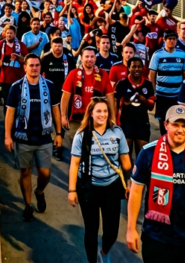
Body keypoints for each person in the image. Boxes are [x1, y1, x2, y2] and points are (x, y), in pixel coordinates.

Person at [127, 105, 185, 263]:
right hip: (156, 236)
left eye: (184, 126)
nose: (180, 130)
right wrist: (130, 229)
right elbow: (136, 192)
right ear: (166, 125)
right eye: (175, 125)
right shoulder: (148, 153)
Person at [68, 98, 132, 263]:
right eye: (98, 111)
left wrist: (130, 182)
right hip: (88, 188)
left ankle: (104, 251)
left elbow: (126, 164)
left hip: (111, 187)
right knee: (91, 229)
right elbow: (74, 164)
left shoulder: (117, 133)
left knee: (112, 232)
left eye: (105, 111)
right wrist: (72, 190)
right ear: (91, 113)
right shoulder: (82, 135)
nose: (102, 114)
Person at [5, 54, 63, 222]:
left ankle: (39, 191)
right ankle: (28, 205)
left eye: (37, 65)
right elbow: (10, 113)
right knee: (25, 171)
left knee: (45, 173)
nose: (34, 68)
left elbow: (55, 110)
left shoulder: (49, 86)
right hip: (23, 138)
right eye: (31, 65)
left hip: (44, 137)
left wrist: (58, 133)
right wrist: (8, 136)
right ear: (25, 67)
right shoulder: (16, 88)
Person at [62, 46, 117, 133]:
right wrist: (63, 116)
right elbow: (65, 96)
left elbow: (110, 97)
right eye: (87, 56)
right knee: (76, 145)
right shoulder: (73, 73)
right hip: (77, 120)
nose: (89, 59)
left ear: (95, 58)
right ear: (81, 58)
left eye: (92, 57)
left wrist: (113, 118)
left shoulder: (103, 74)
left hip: (97, 119)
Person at [149, 29, 185, 134]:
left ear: (177, 40)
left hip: (177, 94)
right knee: (162, 119)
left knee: (177, 118)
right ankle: (164, 139)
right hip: (162, 94)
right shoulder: (157, 55)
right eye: (169, 39)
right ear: (164, 40)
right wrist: (153, 92)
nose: (171, 41)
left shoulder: (182, 54)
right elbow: (152, 74)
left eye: (173, 39)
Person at [115, 56, 154, 161]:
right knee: (125, 155)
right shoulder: (122, 84)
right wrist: (114, 121)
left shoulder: (148, 84)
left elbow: (151, 107)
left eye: (139, 67)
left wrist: (143, 99)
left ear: (143, 68)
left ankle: (140, 176)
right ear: (128, 68)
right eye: (134, 66)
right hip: (126, 123)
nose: (137, 69)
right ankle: (126, 177)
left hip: (142, 123)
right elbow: (115, 104)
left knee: (142, 155)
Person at [0, 25, 28, 103]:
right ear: (4, 34)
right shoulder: (0, 44)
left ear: (15, 34)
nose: (9, 35)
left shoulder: (21, 45)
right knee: (7, 102)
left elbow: (26, 60)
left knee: (18, 101)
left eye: (11, 33)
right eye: (7, 33)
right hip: (5, 79)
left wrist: (19, 57)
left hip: (18, 78)